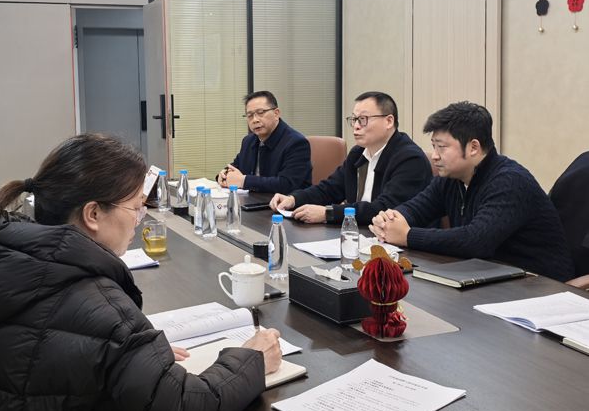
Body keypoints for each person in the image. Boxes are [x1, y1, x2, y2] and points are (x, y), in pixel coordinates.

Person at [0, 133, 282, 411]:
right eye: (135, 208)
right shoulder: (100, 308)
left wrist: (134, 360)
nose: (138, 221)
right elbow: (183, 410)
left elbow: (48, 355)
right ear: (93, 214)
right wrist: (250, 360)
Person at [370, 102, 574, 281]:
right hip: (489, 276)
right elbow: (418, 208)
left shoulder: (510, 181)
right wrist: (389, 220)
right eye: (433, 146)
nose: (434, 156)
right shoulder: (451, 178)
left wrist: (408, 235)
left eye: (442, 147)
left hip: (537, 285)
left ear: (473, 147)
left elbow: (475, 241)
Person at [270, 91, 431, 225]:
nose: (356, 126)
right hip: (361, 233)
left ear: (389, 121)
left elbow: (384, 208)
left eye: (363, 119)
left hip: (402, 246)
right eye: (354, 119)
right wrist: (294, 199)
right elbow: (330, 189)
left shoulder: (410, 159)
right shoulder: (358, 153)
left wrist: (328, 213)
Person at [217, 91, 311, 194]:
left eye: (261, 113)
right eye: (250, 115)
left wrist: (243, 181)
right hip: (254, 200)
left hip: (284, 203)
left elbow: (287, 184)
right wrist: (224, 174)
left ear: (276, 113)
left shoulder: (296, 143)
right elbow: (236, 166)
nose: (255, 120)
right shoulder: (248, 141)